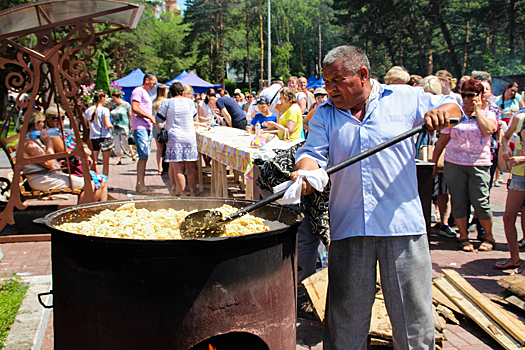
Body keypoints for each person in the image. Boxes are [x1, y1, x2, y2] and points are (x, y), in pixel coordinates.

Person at [293, 45, 462, 349]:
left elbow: (453, 106)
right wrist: (305, 174)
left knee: (413, 322)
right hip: (350, 226)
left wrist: (441, 113)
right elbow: (311, 154)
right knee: (346, 320)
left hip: (402, 227)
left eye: (337, 81)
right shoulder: (325, 115)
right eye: (326, 82)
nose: (330, 89)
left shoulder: (404, 98)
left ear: (362, 75)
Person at [432, 79, 497, 252]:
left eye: (471, 95)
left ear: (479, 96)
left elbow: (488, 130)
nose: (466, 99)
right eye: (464, 95)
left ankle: (488, 236)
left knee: (481, 201)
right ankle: (463, 236)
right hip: (454, 163)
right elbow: (442, 141)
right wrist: (433, 161)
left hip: (479, 164)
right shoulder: (457, 115)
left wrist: (477, 110)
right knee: (459, 201)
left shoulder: (488, 114)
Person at [23, 110, 108, 203]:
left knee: (96, 183)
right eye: (42, 122)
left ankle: (92, 210)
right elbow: (50, 164)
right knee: (91, 184)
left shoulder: (31, 141)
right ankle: (81, 213)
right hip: (42, 179)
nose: (44, 126)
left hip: (46, 175)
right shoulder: (29, 144)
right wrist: (49, 142)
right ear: (36, 125)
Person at [157, 83, 198, 197]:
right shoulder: (190, 102)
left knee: (178, 169)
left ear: (171, 93)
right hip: (190, 136)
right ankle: (193, 194)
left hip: (175, 137)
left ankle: (183, 195)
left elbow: (159, 118)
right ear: (183, 92)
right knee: (191, 168)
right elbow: (194, 117)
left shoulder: (167, 102)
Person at [496, 110, 525, 271]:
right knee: (508, 217)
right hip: (519, 175)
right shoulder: (520, 118)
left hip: (520, 168)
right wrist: (506, 148)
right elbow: (505, 137)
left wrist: (522, 158)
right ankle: (515, 258)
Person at [131, 73, 157, 194]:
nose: (154, 86)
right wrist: (150, 117)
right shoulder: (138, 91)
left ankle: (141, 184)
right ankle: (140, 185)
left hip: (145, 127)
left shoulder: (145, 93)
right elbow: (135, 108)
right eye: (154, 83)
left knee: (144, 156)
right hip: (140, 127)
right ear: (147, 80)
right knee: (143, 156)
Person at [85, 91, 112, 177]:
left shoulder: (88, 110)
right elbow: (108, 124)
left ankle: (93, 178)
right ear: (102, 98)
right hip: (104, 137)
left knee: (93, 161)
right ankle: (104, 181)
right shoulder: (105, 110)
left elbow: (86, 125)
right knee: (105, 163)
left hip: (93, 137)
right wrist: (112, 126)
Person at [110, 91, 136, 165]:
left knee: (125, 143)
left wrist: (131, 124)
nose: (114, 100)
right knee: (117, 144)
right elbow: (109, 113)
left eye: (114, 98)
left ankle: (132, 154)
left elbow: (130, 115)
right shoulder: (114, 106)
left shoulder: (126, 105)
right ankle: (118, 158)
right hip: (115, 126)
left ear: (118, 97)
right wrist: (109, 106)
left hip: (124, 126)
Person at [152, 84, 168, 175]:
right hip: (164, 126)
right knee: (168, 148)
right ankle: (169, 167)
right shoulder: (165, 101)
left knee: (159, 149)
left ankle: (159, 168)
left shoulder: (154, 102)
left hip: (156, 127)